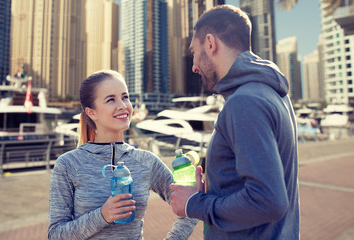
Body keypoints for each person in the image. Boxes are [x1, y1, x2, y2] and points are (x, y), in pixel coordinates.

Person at [169, 5, 300, 239]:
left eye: (194, 52)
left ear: (210, 43)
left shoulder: (245, 102)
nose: (193, 66)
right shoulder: (271, 93)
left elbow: (268, 200)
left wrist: (194, 204)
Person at [48, 70, 198, 239]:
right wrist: (102, 215)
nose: (123, 105)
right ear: (91, 112)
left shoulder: (146, 161)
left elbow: (191, 205)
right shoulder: (68, 164)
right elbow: (55, 235)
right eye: (111, 99)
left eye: (125, 97)